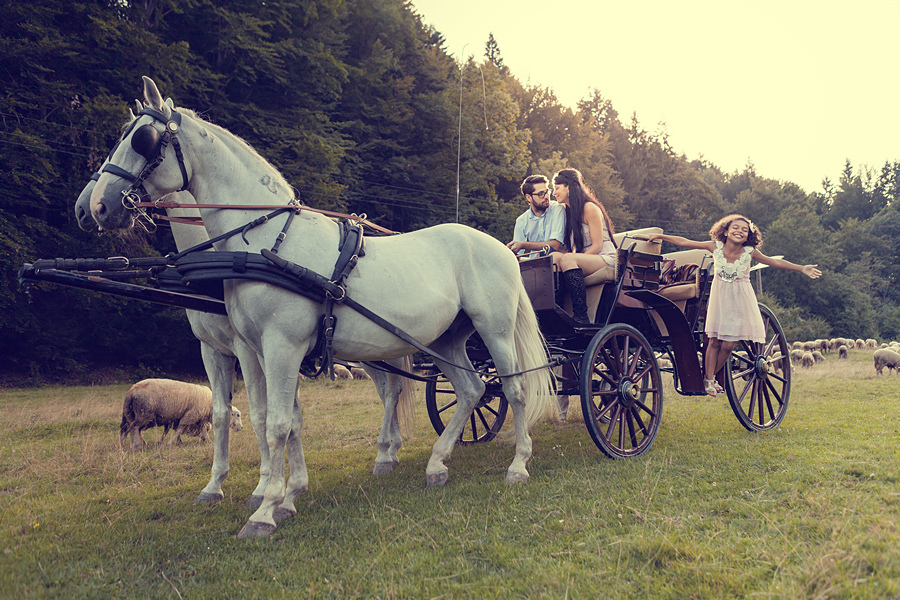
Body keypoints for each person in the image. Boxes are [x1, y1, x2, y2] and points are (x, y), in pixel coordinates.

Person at [649, 215, 822, 396]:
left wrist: (801, 268)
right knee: (714, 341)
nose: (739, 231)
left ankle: (711, 376)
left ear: (748, 236)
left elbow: (775, 261)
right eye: (736, 227)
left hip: (740, 301)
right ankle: (708, 380)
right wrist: (663, 237)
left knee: (729, 345)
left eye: (744, 230)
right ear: (726, 231)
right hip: (720, 299)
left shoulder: (749, 252)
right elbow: (685, 242)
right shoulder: (714, 247)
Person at [550, 168, 617, 323]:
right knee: (553, 257)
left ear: (568, 186)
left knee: (567, 260)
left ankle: (581, 316)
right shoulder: (568, 212)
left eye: (557, 188)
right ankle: (558, 313)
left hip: (604, 257)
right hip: (588, 259)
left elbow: (597, 246)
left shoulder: (589, 208)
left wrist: (572, 259)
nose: (554, 193)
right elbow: (568, 248)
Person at [506, 175, 566, 258]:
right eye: (541, 194)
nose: (546, 196)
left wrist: (523, 244)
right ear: (529, 197)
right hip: (533, 265)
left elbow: (555, 245)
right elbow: (517, 255)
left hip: (556, 264)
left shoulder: (558, 209)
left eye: (547, 192)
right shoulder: (521, 221)